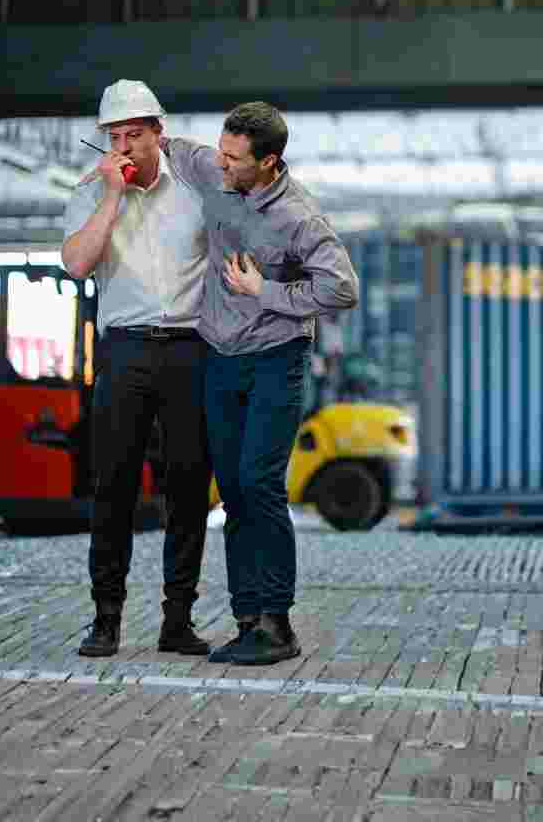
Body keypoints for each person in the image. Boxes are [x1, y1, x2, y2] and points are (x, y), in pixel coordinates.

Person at [162, 102, 359, 666]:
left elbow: (342, 289)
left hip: (277, 355)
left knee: (259, 482)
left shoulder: (299, 217)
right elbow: (173, 148)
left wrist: (264, 293)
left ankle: (277, 623)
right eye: (220, 152)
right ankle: (248, 619)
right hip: (221, 356)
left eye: (234, 158)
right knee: (232, 490)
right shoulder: (214, 170)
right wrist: (134, 145)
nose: (221, 164)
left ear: (269, 161)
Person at [61, 80, 212, 659]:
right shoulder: (90, 192)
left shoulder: (195, 193)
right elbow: (77, 265)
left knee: (189, 486)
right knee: (113, 487)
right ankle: (106, 619)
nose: (124, 147)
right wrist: (110, 198)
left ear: (158, 133)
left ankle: (178, 619)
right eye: (114, 137)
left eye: (134, 136)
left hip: (187, 350)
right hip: (123, 350)